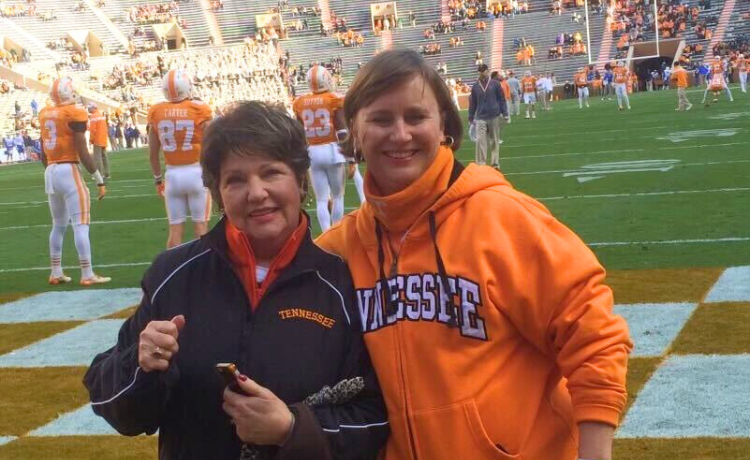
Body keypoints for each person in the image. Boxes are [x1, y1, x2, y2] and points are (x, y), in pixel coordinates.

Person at [317, 49, 631, 460]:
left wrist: (595, 451)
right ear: (354, 131)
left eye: (416, 117)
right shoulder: (340, 249)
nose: (399, 134)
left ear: (445, 125)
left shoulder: (500, 216)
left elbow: (593, 334)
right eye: (380, 119)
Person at [84, 101, 389, 460]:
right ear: (218, 194)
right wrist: (141, 366)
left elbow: (374, 421)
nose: (256, 193)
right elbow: (115, 406)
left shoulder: (340, 285)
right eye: (236, 179)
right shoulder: (173, 276)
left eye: (271, 172)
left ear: (300, 181)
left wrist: (293, 429)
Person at [40, 77, 111, 286]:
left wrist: (52, 170)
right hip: (68, 169)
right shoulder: (75, 112)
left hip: (51, 170)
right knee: (80, 225)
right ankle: (87, 273)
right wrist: (99, 179)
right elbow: (82, 150)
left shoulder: (45, 113)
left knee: (58, 225)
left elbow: (43, 149)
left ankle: (55, 271)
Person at [148, 69, 214, 249]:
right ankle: (201, 271)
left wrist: (157, 179)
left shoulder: (156, 111)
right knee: (201, 227)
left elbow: (153, 153)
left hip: (172, 176)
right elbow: (214, 144)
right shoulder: (199, 108)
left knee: (175, 230)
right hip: (196, 173)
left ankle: (173, 271)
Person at [292, 65, 351, 231]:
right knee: (338, 196)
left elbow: (299, 132)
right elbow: (340, 129)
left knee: (321, 199)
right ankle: (337, 231)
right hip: (332, 150)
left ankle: (326, 233)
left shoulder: (300, 102)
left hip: (312, 152)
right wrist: (351, 157)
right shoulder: (333, 99)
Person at [468, 64, 507, 169]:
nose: (481, 73)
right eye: (479, 71)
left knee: (494, 140)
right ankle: (481, 164)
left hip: (494, 115)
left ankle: (495, 162)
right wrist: (470, 116)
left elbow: (501, 99)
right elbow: (473, 103)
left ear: (487, 71)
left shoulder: (495, 84)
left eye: (483, 71)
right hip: (480, 117)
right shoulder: (476, 86)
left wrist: (505, 113)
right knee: (480, 140)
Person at [88, 102, 110, 180]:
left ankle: (99, 174)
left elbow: (92, 130)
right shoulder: (101, 115)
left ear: (94, 108)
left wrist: (91, 140)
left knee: (97, 158)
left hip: (97, 139)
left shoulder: (93, 117)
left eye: (89, 108)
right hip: (103, 139)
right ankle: (107, 173)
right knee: (104, 157)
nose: (88, 109)